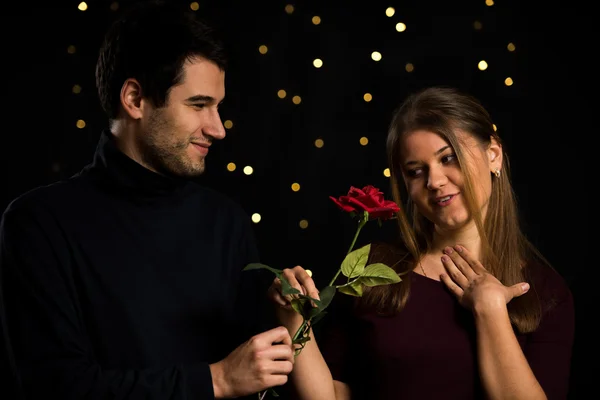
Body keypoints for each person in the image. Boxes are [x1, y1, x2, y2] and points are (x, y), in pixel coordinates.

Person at [0, 1, 295, 399]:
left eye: (218, 106)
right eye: (198, 105)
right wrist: (216, 381)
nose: (218, 129)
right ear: (135, 99)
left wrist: (288, 316)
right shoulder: (40, 223)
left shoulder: (227, 222)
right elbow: (56, 387)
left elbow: (263, 378)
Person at [268, 86, 575, 399]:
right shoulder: (374, 268)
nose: (435, 181)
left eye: (449, 158)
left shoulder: (544, 291)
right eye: (416, 171)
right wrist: (294, 320)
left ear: (493, 155)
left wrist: (490, 310)